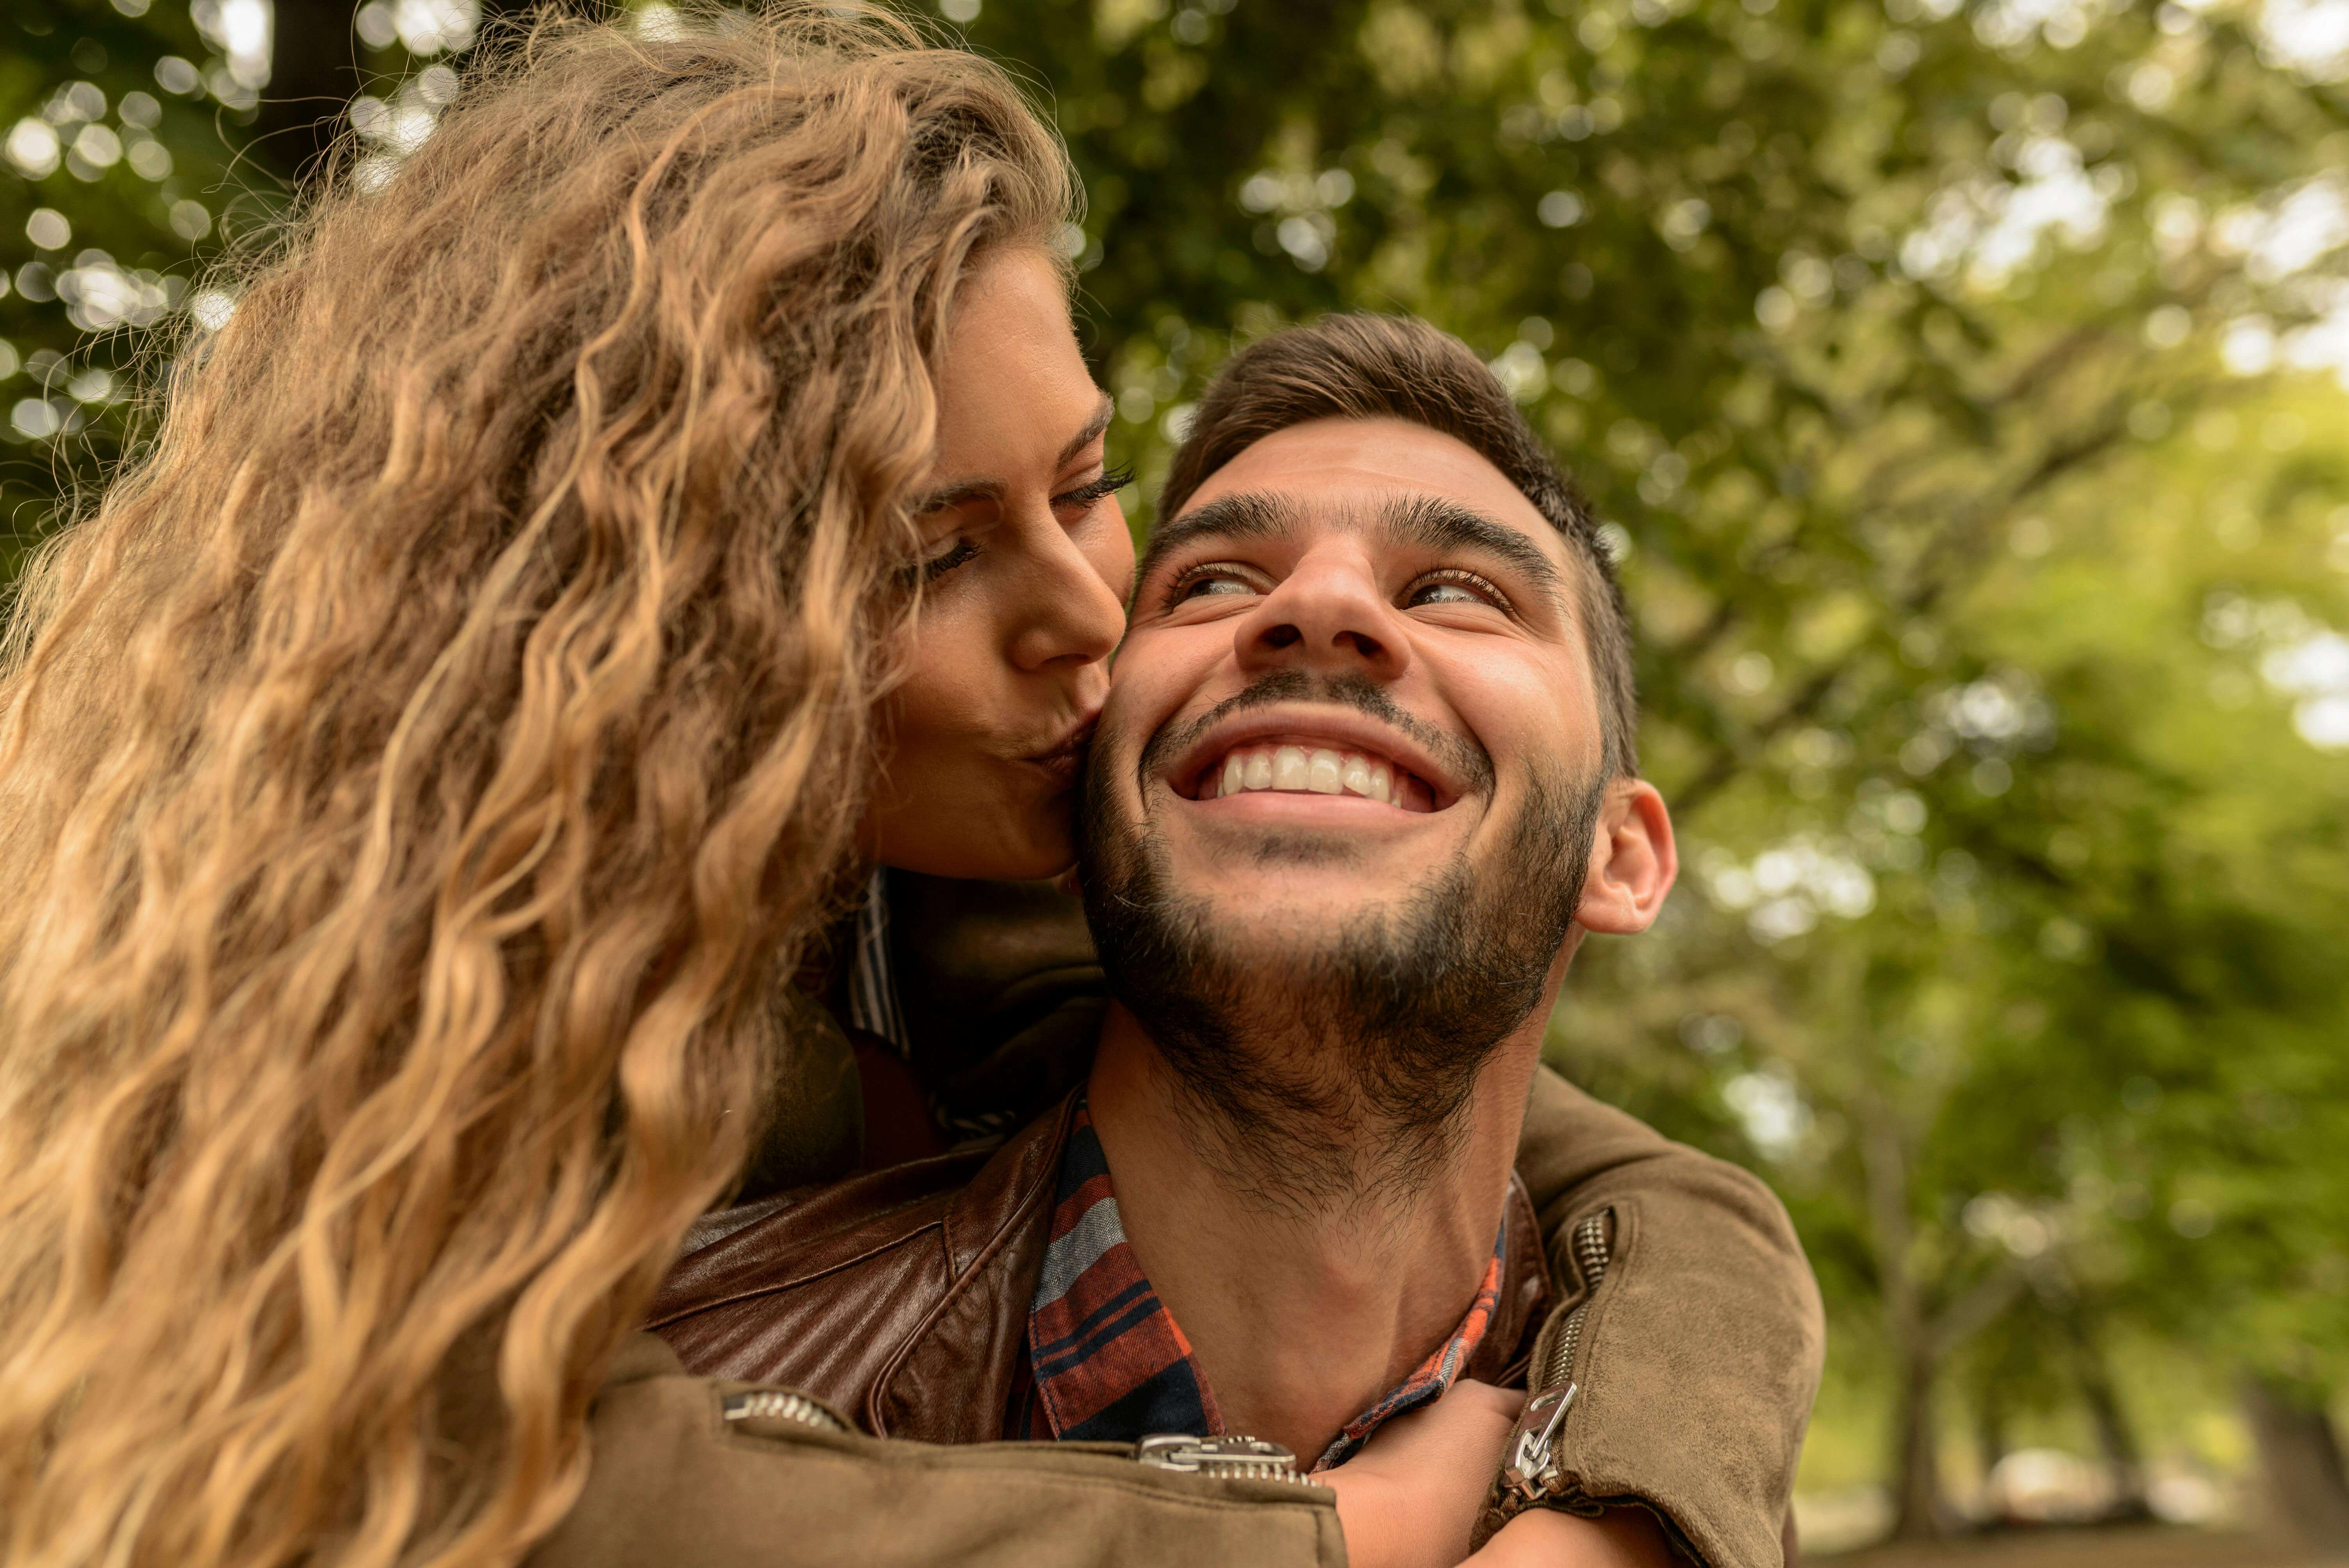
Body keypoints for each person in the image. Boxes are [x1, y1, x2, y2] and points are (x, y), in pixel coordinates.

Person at [0, 8, 1814, 1568]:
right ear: (654, 649)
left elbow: (1635, 1184)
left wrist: (1620, 1506)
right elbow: (464, 1483)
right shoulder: (363, 982)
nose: (1090, 609)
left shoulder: (982, 890)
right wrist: (1327, 1530)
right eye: (932, 558)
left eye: (1088, 483)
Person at [649, 315, 1825, 1568]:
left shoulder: (1670, 1490)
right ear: (1077, 788)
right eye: (1211, 583)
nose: (1318, 603)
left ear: (1620, 854)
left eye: (1456, 592)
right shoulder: (668, 1400)